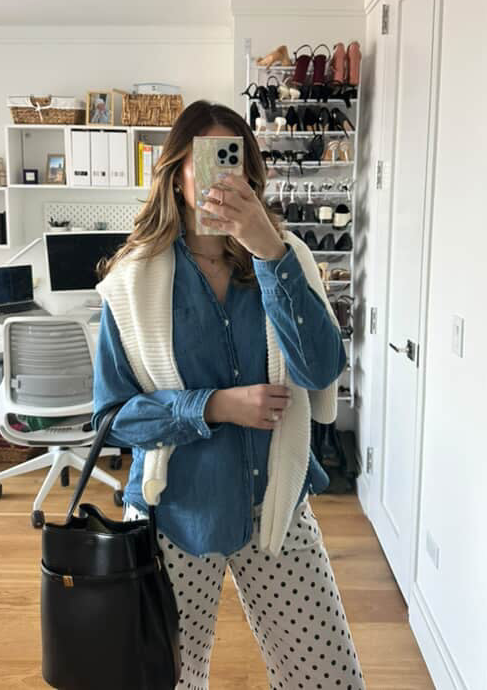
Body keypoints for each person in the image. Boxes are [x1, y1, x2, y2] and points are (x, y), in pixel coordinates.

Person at [92, 100, 366, 690]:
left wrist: (270, 253)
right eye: (208, 159)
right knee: (172, 680)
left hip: (277, 506)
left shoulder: (286, 257)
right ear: (177, 173)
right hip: (174, 516)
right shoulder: (132, 281)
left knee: (329, 678)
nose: (223, 175)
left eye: (234, 159)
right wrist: (214, 406)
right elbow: (111, 418)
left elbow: (321, 368)